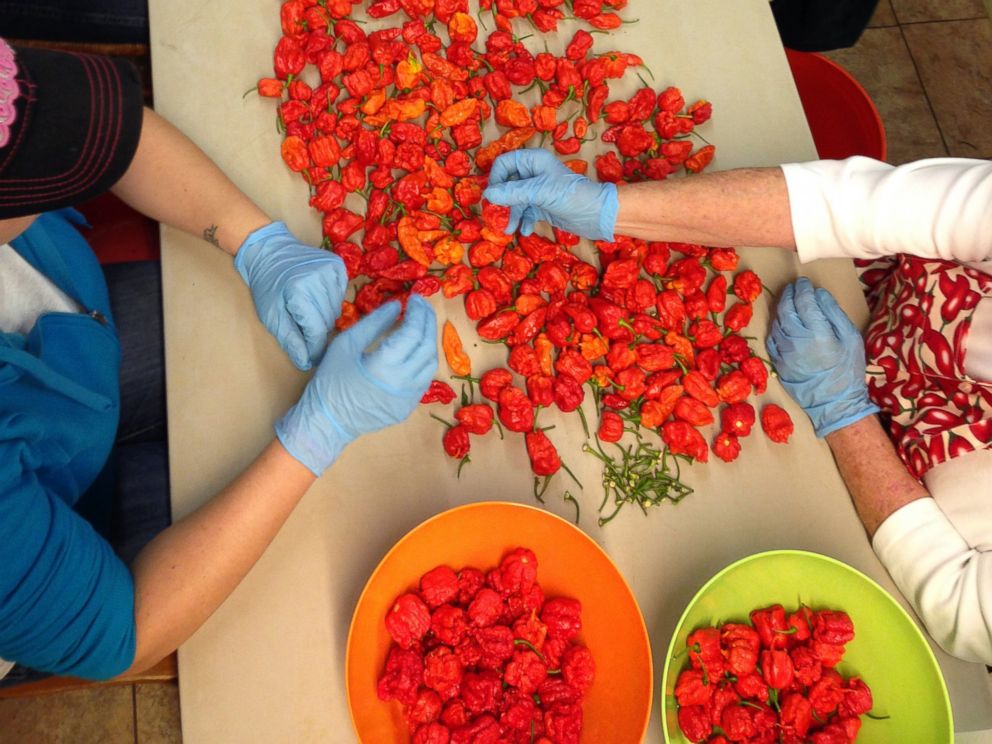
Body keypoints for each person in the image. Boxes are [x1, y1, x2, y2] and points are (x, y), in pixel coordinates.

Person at [0, 39, 437, 682]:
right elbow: (127, 634)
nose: (55, 165)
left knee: (224, 395)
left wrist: (253, 239)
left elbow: (102, 134)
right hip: (49, 584)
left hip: (68, 348)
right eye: (23, 185)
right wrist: (319, 432)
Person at [483, 147, 992, 665]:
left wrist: (845, 413)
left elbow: (965, 608)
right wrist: (611, 208)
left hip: (903, 499)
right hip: (878, 295)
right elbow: (849, 202)